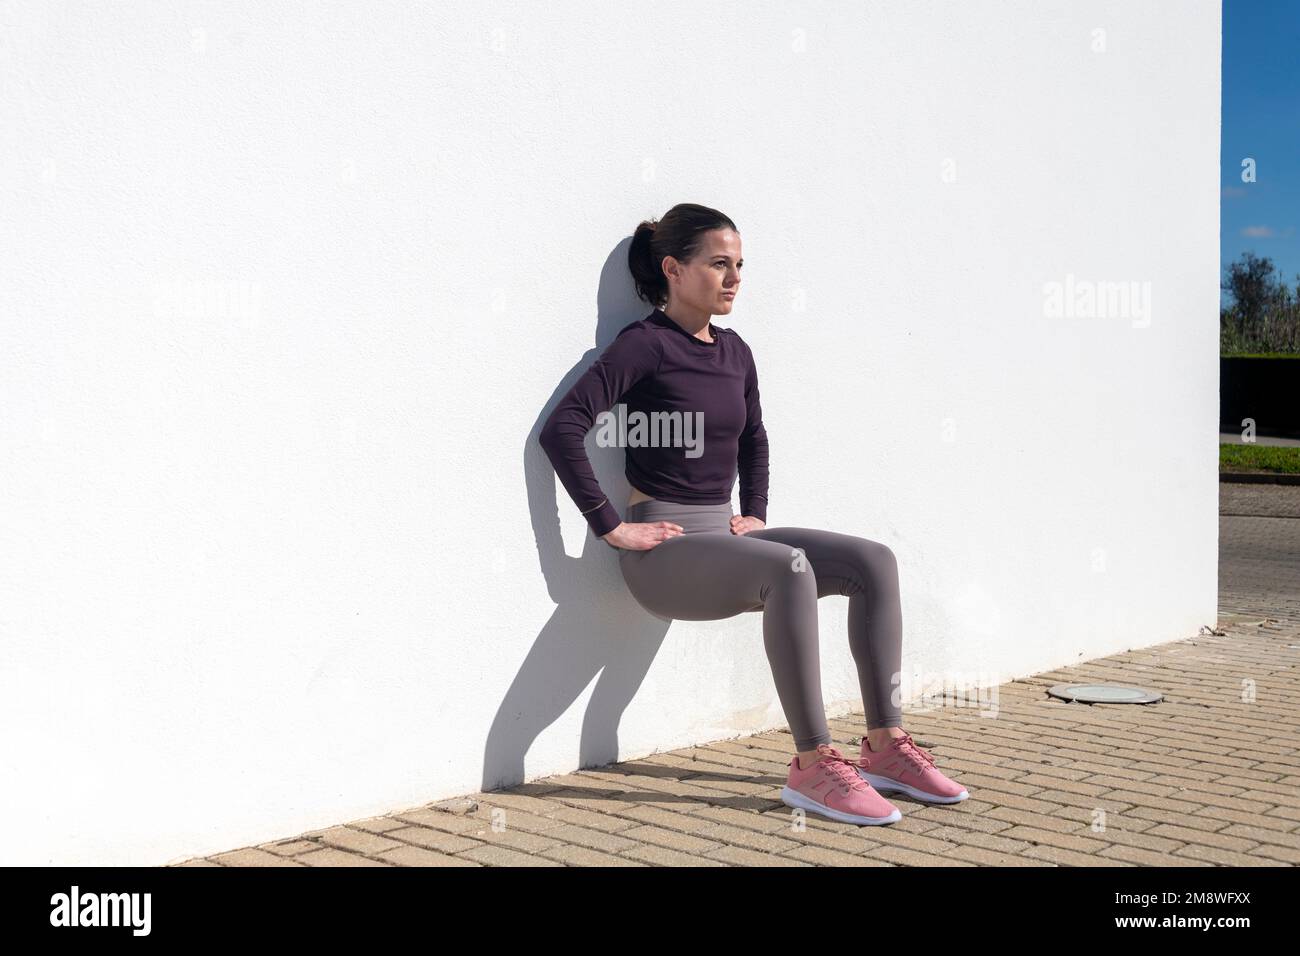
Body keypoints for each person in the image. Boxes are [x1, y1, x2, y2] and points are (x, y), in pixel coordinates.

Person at [539, 203, 967, 826]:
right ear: (674, 270)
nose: (734, 277)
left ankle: (884, 746)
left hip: (725, 537)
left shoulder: (735, 351)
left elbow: (754, 439)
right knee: (790, 568)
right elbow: (562, 428)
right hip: (666, 555)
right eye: (718, 264)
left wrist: (755, 513)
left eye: (739, 265)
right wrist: (611, 526)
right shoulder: (645, 346)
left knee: (873, 561)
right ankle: (814, 764)